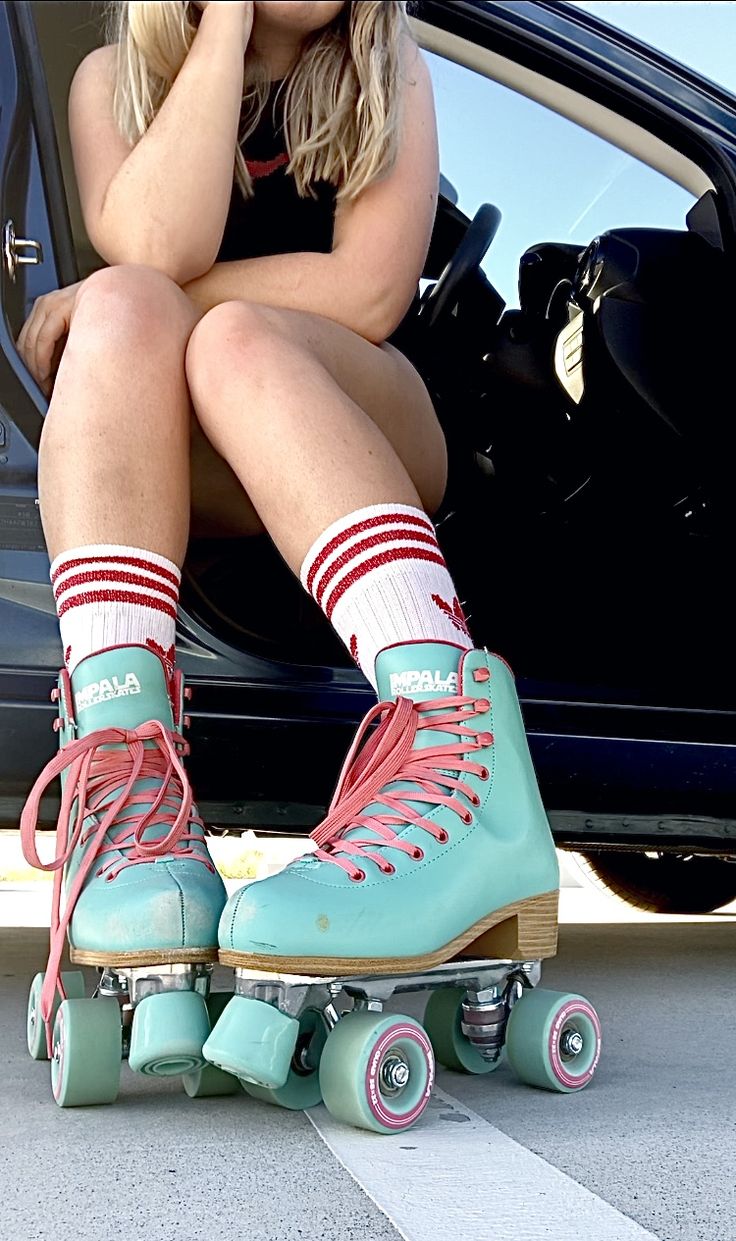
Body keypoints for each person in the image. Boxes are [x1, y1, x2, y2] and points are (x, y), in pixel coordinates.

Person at [19, 0, 559, 1074]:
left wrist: (141, 297)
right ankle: (129, 793)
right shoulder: (108, 80)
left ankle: (451, 741)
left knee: (210, 330)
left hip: (363, 415)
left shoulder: (385, 66)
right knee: (132, 305)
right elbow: (153, 243)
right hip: (202, 464)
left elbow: (366, 291)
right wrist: (218, 30)